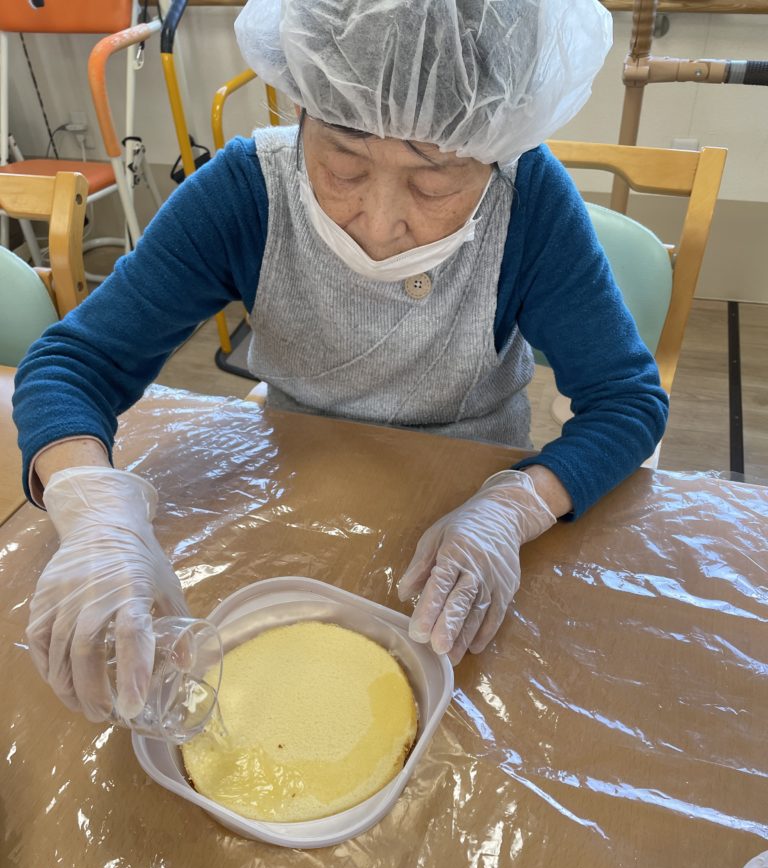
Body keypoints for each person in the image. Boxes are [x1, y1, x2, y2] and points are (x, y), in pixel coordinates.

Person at [13, 0, 668, 723]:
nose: (379, 222)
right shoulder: (248, 193)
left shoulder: (528, 204)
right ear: (301, 108)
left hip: (465, 504)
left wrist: (513, 511)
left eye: (433, 181)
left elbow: (626, 400)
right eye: (344, 163)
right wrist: (92, 506)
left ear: (496, 145)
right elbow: (75, 362)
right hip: (294, 487)